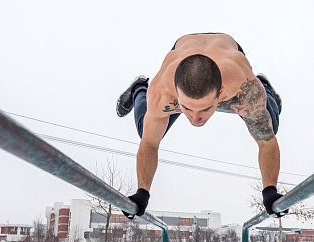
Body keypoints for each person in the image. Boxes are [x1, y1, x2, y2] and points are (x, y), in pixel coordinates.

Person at [116, 32, 285, 219]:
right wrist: (142, 192)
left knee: (268, 126)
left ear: (220, 94)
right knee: (146, 130)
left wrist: (270, 191)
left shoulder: (245, 88)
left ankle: (265, 86)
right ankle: (140, 87)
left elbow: (267, 143)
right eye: (187, 108)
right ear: (177, 92)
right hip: (182, 53)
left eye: (205, 109)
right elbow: (149, 144)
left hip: (229, 53)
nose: (195, 119)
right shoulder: (161, 92)